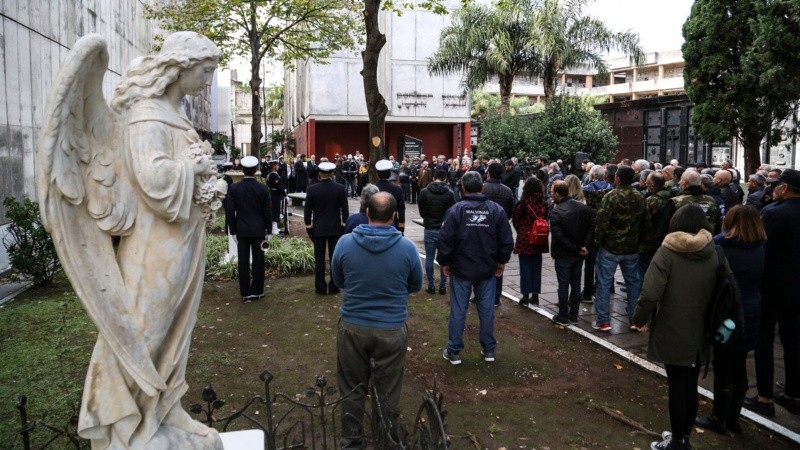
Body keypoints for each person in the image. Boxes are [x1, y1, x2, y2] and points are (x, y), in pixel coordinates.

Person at [50, 31, 226, 447]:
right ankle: (118, 420)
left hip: (182, 241)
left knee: (176, 333)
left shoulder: (175, 114)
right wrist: (194, 169)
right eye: (204, 70)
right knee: (144, 329)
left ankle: (165, 408)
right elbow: (154, 182)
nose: (207, 79)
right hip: (154, 246)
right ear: (180, 67)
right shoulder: (146, 116)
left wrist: (204, 180)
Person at [331, 192, 422, 447]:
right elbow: (415, 285)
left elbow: (338, 281)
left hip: (352, 326)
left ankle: (351, 439)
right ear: (395, 216)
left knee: (351, 384)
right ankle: (387, 438)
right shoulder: (407, 248)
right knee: (388, 387)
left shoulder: (344, 243)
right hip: (391, 328)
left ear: (367, 212)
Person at [633, 205, 719, 450]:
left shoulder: (667, 252)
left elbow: (649, 293)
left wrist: (639, 318)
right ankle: (684, 436)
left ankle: (677, 441)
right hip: (702, 327)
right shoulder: (714, 251)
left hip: (673, 326)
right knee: (690, 384)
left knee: (678, 385)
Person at [694, 205, 765, 434]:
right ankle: (734, 418)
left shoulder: (721, 246)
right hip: (752, 309)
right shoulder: (759, 247)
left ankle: (719, 417)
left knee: (723, 366)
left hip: (727, 313)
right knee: (740, 366)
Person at [439, 171, 514, 365]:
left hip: (462, 268)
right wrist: (501, 261)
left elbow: (445, 239)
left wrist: (445, 262)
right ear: (482, 187)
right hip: (486, 269)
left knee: (458, 310)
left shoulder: (456, 210)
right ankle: (488, 349)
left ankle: (454, 350)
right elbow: (506, 240)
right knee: (486, 310)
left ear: (463, 188)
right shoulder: (496, 210)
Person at [748, 169, 800, 417]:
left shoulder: (773, 213)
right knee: (793, 341)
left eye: (777, 185)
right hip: (796, 289)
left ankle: (764, 397)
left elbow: (761, 249)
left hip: (770, 288)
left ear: (785, 188)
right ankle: (793, 393)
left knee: (764, 341)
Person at [593, 166, 650, 332]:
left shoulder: (611, 196)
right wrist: (643, 244)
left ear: (617, 179)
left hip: (610, 247)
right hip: (631, 248)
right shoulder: (640, 197)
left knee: (604, 283)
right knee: (633, 283)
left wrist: (597, 241)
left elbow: (601, 222)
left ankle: (603, 320)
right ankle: (634, 319)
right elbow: (646, 224)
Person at [227, 156, 273, 301]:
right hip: (259, 230)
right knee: (259, 261)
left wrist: (233, 230)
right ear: (256, 170)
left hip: (242, 229)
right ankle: (257, 291)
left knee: (243, 261)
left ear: (242, 169)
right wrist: (269, 230)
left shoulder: (234, 188)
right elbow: (267, 212)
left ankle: (245, 293)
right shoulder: (263, 188)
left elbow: (230, 211)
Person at [549, 180, 593, 326]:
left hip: (564, 253)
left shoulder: (556, 212)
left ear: (557, 193)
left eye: (552, 191)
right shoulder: (583, 208)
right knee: (575, 284)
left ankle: (563, 315)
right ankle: (573, 315)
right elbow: (591, 228)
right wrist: (584, 246)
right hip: (579, 253)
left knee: (563, 285)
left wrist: (577, 248)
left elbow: (559, 237)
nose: (550, 194)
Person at [305, 161, 349, 295]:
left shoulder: (312, 189)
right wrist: (343, 224)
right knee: (334, 258)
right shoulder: (340, 188)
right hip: (335, 227)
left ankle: (320, 287)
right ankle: (334, 286)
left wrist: (308, 226)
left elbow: (308, 211)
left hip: (318, 227)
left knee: (319, 258)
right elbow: (345, 209)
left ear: (319, 173)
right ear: (332, 173)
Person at [511, 177, 549, 307]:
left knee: (525, 267)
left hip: (525, 239)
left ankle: (525, 296)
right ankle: (535, 296)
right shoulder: (544, 204)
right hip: (539, 239)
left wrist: (522, 230)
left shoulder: (522, 203)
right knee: (537, 267)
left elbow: (515, 220)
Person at [417, 169, 455, 295]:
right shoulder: (449, 193)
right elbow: (452, 211)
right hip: (444, 229)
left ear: (433, 178)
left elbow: (421, 210)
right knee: (444, 258)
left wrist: (427, 218)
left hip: (429, 227)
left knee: (429, 257)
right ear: (445, 179)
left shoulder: (424, 192)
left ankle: (431, 286)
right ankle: (443, 286)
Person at [483, 162, 514, 307]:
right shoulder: (507, 191)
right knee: (498, 264)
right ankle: (496, 297)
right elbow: (510, 211)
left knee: (480, 261)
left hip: (483, 228)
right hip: (500, 230)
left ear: (488, 173)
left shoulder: (482, 188)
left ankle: (480, 296)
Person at [374, 159, 405, 234]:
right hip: (392, 223)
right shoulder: (397, 189)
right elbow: (401, 209)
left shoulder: (372, 188)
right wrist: (401, 226)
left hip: (374, 223)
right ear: (390, 174)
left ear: (377, 174)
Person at [266, 160, 285, 235]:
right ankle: (274, 228)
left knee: (276, 210)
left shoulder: (273, 174)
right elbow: (278, 186)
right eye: (277, 165)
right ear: (273, 166)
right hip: (274, 194)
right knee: (275, 210)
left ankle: (275, 227)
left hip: (274, 194)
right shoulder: (273, 175)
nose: (278, 166)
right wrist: (284, 194)